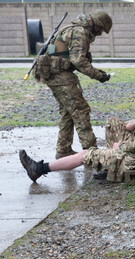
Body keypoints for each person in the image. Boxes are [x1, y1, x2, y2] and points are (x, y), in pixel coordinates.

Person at [32, 10, 113, 158]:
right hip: (60, 76)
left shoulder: (73, 29)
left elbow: (74, 59)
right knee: (80, 111)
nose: (101, 33)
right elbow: (78, 60)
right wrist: (98, 75)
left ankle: (63, 150)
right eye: (101, 29)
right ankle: (92, 155)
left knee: (68, 113)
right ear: (95, 24)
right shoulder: (80, 32)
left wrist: (96, 72)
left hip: (55, 75)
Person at [19, 116, 135, 183]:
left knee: (85, 154)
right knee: (113, 122)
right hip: (134, 147)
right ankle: (109, 166)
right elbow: (128, 126)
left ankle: (38, 169)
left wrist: (120, 146)